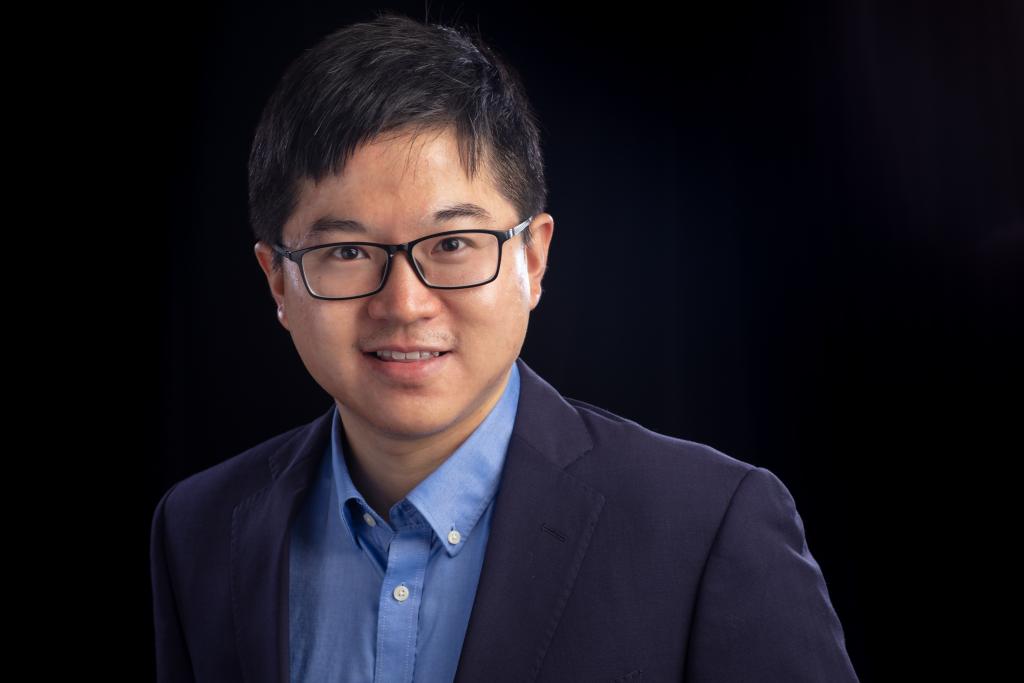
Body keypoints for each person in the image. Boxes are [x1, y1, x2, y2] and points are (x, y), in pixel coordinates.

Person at [150, 11, 860, 683]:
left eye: (454, 243)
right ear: (277, 278)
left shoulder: (709, 529)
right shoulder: (200, 531)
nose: (403, 303)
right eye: (347, 250)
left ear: (534, 260)